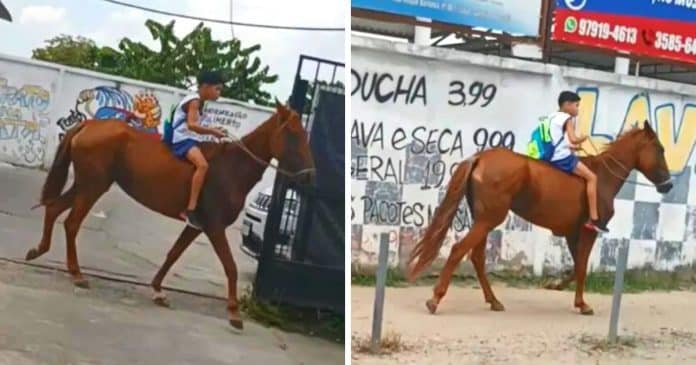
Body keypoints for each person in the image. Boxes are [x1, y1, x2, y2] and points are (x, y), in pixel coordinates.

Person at [169, 70, 228, 229]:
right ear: (205, 86)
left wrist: (215, 130)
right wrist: (213, 132)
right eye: (217, 89)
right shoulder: (194, 101)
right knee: (203, 165)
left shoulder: (200, 102)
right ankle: (191, 209)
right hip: (182, 139)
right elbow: (192, 125)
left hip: (190, 138)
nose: (218, 93)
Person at [548, 91, 609, 233]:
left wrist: (571, 147)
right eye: (576, 105)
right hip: (562, 158)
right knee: (592, 178)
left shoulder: (551, 117)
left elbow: (555, 140)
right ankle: (593, 219)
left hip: (550, 156)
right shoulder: (567, 119)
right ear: (567, 105)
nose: (577, 109)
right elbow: (573, 138)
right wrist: (583, 138)